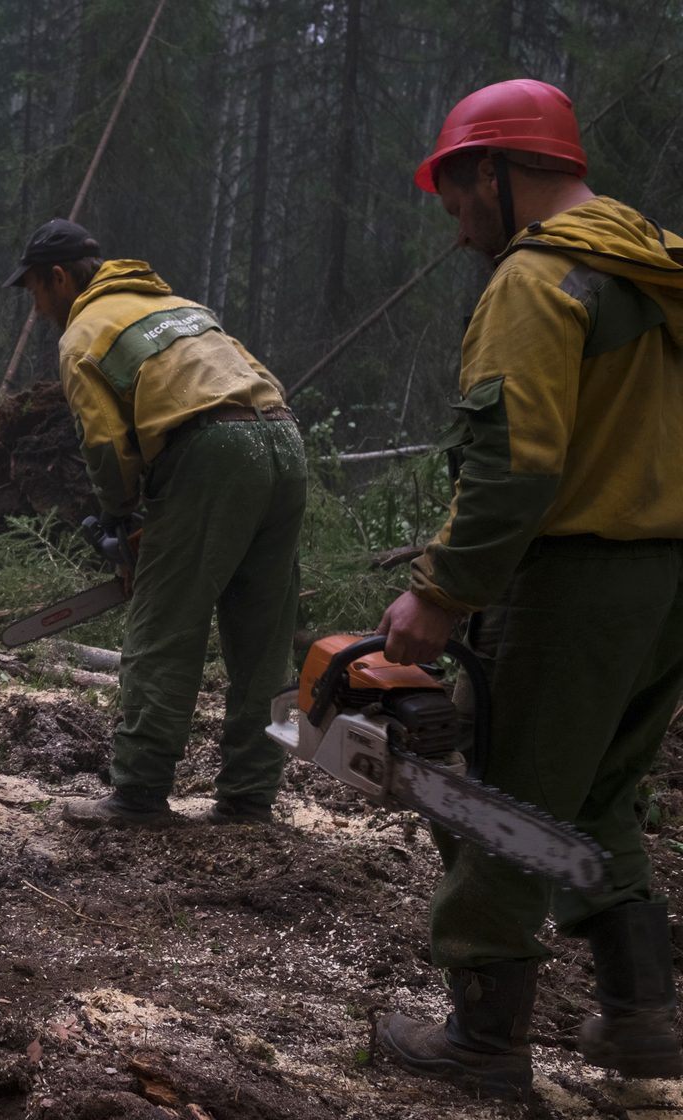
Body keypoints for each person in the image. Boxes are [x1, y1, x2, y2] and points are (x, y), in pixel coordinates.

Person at [372, 78, 683, 1096]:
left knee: (502, 798)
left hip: (576, 584)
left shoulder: (540, 282)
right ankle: (641, 1017)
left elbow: (514, 466)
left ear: (499, 175)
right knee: (595, 793)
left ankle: (483, 1038)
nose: (463, 230)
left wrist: (441, 593)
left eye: (463, 202)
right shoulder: (656, 271)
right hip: (668, 584)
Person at [5, 219, 307, 828]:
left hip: (212, 453)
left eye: (36, 291)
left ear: (59, 277)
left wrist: (121, 514)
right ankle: (250, 797)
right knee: (264, 637)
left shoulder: (83, 333)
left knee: (164, 629)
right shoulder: (181, 306)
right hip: (283, 440)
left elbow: (105, 443)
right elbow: (258, 380)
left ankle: (139, 792)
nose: (37, 309)